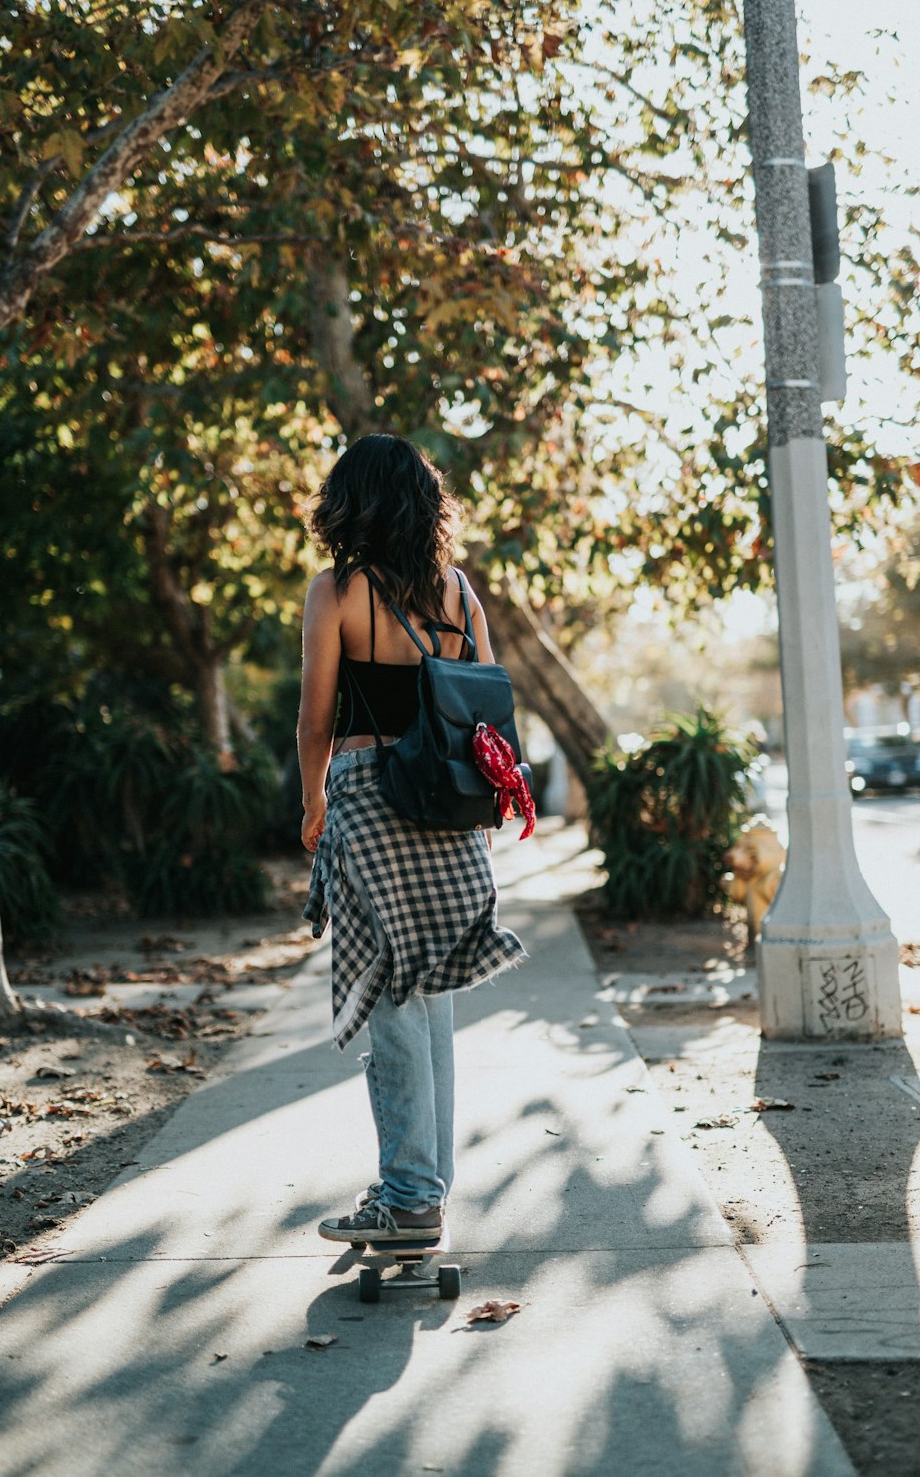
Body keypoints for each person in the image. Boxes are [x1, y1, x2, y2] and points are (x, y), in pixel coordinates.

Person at [298, 433, 527, 1247]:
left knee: (393, 1001)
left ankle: (408, 1196)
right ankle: (422, 1186)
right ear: (425, 506)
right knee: (432, 1005)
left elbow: (317, 718)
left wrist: (310, 803)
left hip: (368, 799)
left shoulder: (337, 592)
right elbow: (487, 707)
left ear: (348, 501)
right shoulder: (461, 594)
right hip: (449, 808)